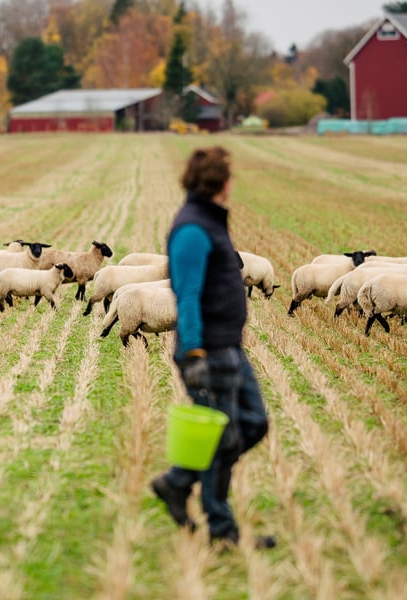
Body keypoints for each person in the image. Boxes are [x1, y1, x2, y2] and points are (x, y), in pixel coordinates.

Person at [150, 146, 273, 549]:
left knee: (253, 423)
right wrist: (194, 352)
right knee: (225, 437)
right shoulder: (192, 228)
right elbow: (187, 293)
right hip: (209, 351)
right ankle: (222, 531)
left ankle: (178, 481)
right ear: (221, 182)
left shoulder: (209, 221)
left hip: (229, 346)